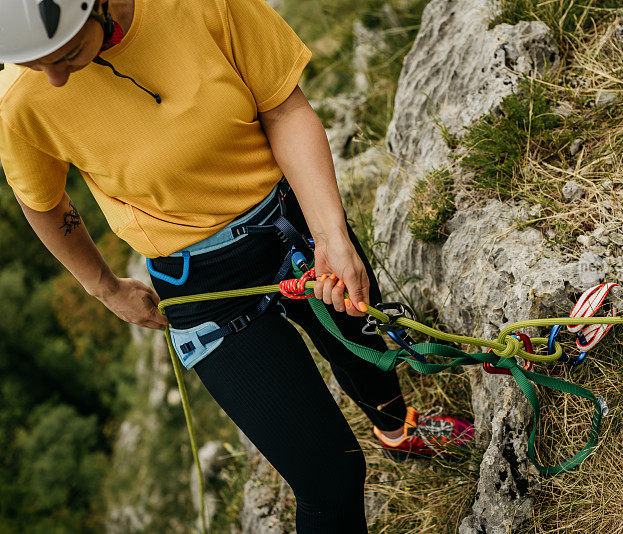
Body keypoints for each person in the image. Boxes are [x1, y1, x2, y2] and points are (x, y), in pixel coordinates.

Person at [0, 0, 473, 531]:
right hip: (203, 287)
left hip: (293, 225)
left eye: (66, 54)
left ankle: (398, 430)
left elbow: (283, 109)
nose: (55, 79)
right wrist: (104, 288)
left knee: (364, 356)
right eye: (37, 64)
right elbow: (44, 203)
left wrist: (331, 236)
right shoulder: (22, 98)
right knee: (330, 479)